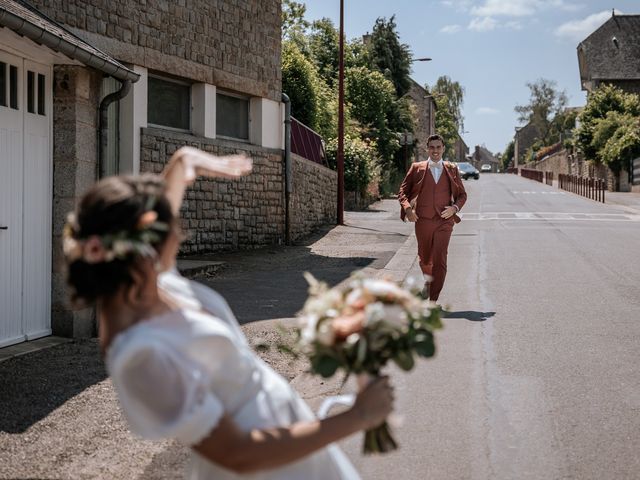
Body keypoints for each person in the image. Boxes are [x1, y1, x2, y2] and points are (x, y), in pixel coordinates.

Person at [62, 146, 394, 479]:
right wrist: (358, 416)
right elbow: (237, 453)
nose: (180, 234)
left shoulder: (152, 282)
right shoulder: (140, 354)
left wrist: (192, 161)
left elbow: (171, 182)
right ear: (143, 247)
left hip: (289, 430)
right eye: (173, 228)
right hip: (263, 464)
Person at [397, 134, 467, 302]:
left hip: (444, 221)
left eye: (438, 147)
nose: (435, 150)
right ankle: (429, 284)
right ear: (427, 149)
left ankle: (433, 301)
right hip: (423, 221)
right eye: (432, 147)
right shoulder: (416, 168)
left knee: (440, 259)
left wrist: (454, 208)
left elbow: (462, 195)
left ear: (443, 148)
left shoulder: (451, 168)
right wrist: (408, 209)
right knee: (425, 259)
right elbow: (402, 192)